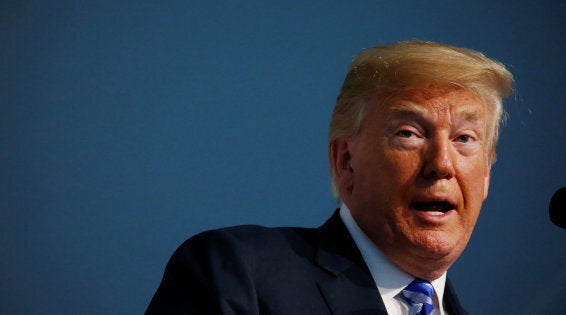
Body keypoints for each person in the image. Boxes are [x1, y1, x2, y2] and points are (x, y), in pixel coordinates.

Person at [145, 40, 513, 315]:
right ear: (346, 162)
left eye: (464, 139)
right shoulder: (241, 274)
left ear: (486, 177)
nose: (442, 165)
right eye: (409, 134)